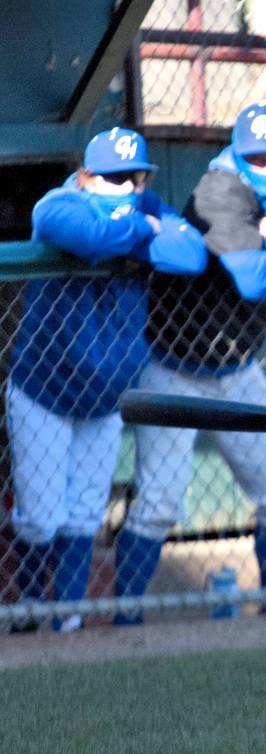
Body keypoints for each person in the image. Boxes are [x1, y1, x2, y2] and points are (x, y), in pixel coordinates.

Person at [114, 102, 266, 613]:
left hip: (237, 367)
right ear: (239, 154)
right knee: (159, 505)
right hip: (173, 365)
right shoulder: (219, 189)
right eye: (257, 158)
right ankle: (121, 621)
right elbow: (254, 281)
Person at [7, 128, 206, 632]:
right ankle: (33, 612)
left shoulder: (146, 203)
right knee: (42, 519)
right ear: (85, 176)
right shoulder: (58, 203)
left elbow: (191, 254)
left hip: (106, 399)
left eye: (134, 177)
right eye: (113, 178)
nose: (126, 186)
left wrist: (136, 225)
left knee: (82, 518)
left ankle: (69, 625)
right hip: (43, 393)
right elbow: (91, 240)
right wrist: (145, 231)